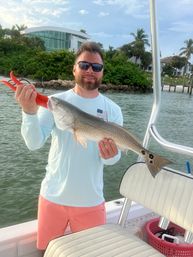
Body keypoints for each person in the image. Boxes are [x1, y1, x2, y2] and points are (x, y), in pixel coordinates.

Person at [15, 41, 123, 251]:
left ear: (102, 72)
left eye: (96, 67)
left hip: (91, 201)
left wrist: (110, 155)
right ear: (74, 68)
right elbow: (34, 143)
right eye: (84, 65)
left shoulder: (113, 110)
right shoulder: (55, 102)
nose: (90, 71)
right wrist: (29, 113)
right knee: (45, 252)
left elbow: (113, 160)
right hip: (52, 197)